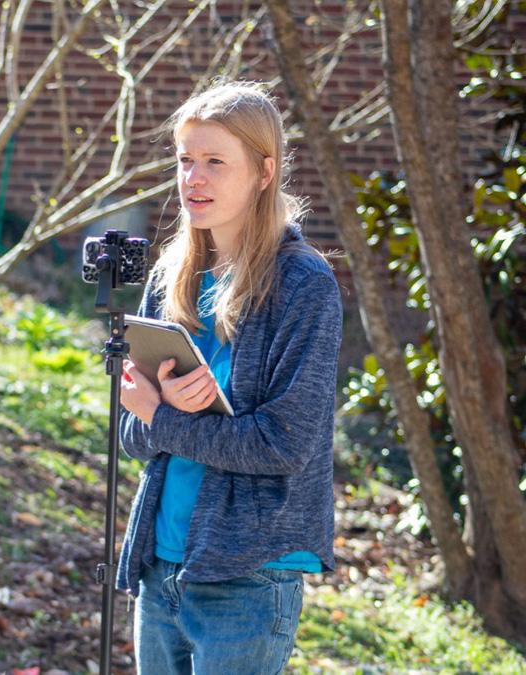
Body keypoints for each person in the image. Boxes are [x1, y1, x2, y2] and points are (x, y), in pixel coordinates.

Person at [115, 81, 341, 674]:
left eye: (216, 162)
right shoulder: (172, 275)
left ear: (265, 172)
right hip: (161, 565)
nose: (195, 179)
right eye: (186, 160)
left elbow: (283, 445)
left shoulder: (304, 286)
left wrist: (164, 416)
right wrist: (150, 412)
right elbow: (134, 436)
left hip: (250, 573)